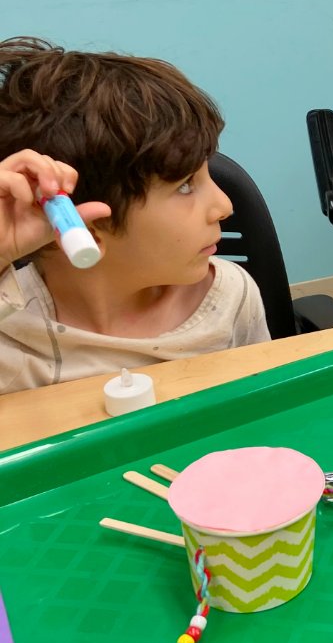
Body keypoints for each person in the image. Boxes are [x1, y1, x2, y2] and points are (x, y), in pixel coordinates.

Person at [0, 38, 269, 393]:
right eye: (186, 186)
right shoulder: (11, 332)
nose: (225, 205)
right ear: (87, 228)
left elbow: (263, 411)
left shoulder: (230, 297)